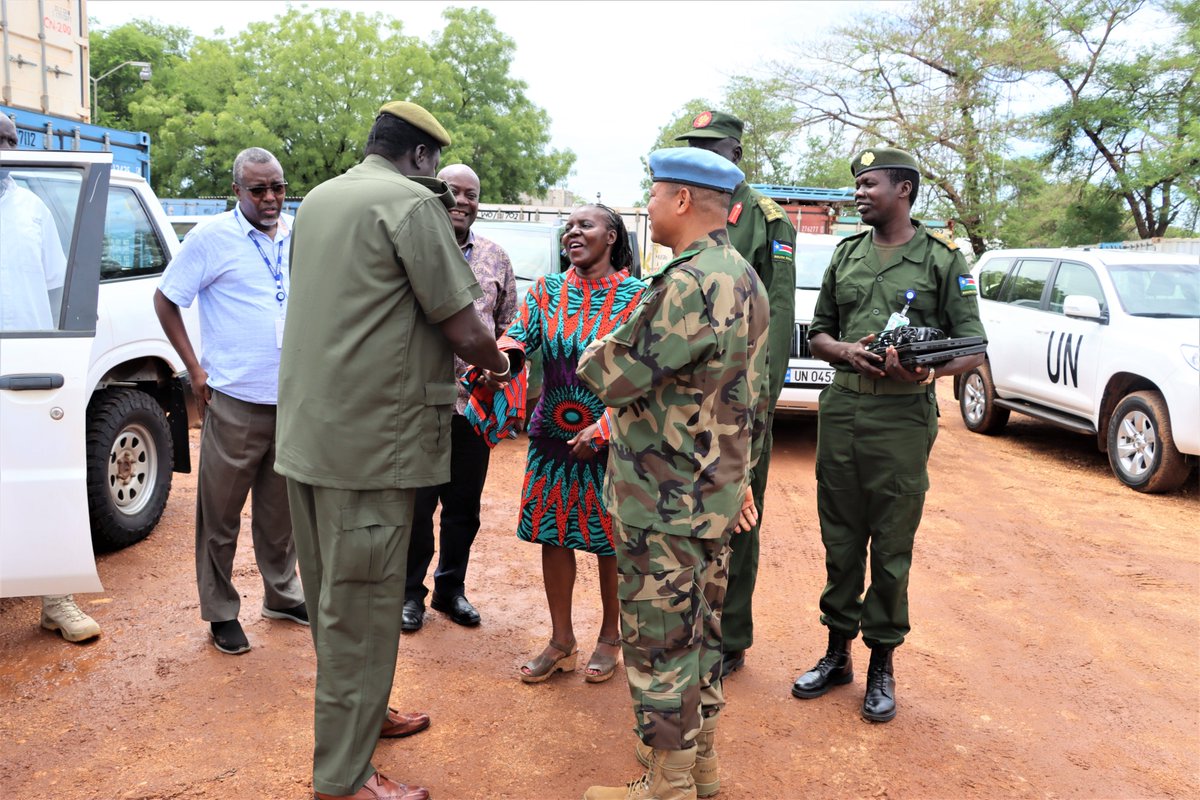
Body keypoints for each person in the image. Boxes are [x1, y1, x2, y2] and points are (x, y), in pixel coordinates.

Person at [275, 101, 512, 800]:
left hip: (313, 437)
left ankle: (367, 714)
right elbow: (465, 329)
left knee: (333, 599)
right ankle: (343, 776)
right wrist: (499, 367)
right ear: (419, 158)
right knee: (364, 607)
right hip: (372, 447)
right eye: (435, 166)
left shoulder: (319, 200)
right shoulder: (412, 206)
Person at [577, 148, 771, 800]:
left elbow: (609, 371)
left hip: (663, 502)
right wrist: (738, 482)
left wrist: (596, 347)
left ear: (683, 201)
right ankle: (700, 768)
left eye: (655, 195)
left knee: (660, 648)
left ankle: (665, 787)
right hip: (710, 498)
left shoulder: (687, 283)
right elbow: (752, 399)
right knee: (701, 638)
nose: (650, 207)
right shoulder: (743, 277)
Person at [790, 147, 985, 723]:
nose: (859, 192)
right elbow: (821, 332)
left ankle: (882, 663)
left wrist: (928, 369)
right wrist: (847, 351)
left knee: (891, 544)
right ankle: (836, 654)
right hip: (844, 408)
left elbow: (972, 348)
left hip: (902, 417)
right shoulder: (846, 253)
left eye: (870, 184)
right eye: (857, 184)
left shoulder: (942, 259)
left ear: (904, 189)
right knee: (840, 538)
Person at [154, 147, 307, 656]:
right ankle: (221, 611)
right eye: (258, 189)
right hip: (234, 399)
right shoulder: (210, 238)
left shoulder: (297, 234)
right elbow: (166, 299)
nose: (270, 198)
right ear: (237, 191)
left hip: (290, 400)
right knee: (219, 514)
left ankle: (282, 595)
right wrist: (194, 369)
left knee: (279, 511)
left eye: (277, 187)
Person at [500, 204, 645, 685]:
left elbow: (640, 372)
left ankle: (610, 637)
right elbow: (519, 336)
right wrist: (500, 355)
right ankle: (561, 641)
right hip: (553, 435)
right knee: (552, 532)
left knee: (609, 540)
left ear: (612, 236)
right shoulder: (547, 291)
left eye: (585, 225)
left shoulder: (636, 297)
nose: (573, 232)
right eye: (569, 227)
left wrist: (603, 428)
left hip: (609, 437)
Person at [675, 110, 796, 678]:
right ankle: (691, 624)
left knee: (737, 512)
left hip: (739, 395)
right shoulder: (686, 208)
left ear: (736, 153)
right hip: (690, 394)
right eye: (692, 146)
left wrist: (761, 398)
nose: (701, 154)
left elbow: (778, 312)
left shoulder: (768, 219)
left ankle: (732, 636)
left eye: (710, 146)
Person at [402, 163, 517, 633]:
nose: (463, 201)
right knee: (415, 506)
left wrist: (501, 370)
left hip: (474, 407)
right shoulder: (411, 250)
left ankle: (451, 591)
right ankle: (410, 594)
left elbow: (510, 327)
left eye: (472, 194)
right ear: (438, 196)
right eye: (454, 192)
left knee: (463, 507)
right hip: (417, 403)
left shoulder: (495, 257)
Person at [1, 112, 101, 644]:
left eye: (11, 140)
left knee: (43, 482)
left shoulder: (33, 210)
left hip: (25, 371)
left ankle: (55, 600)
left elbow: (56, 290)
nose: (4, 148)